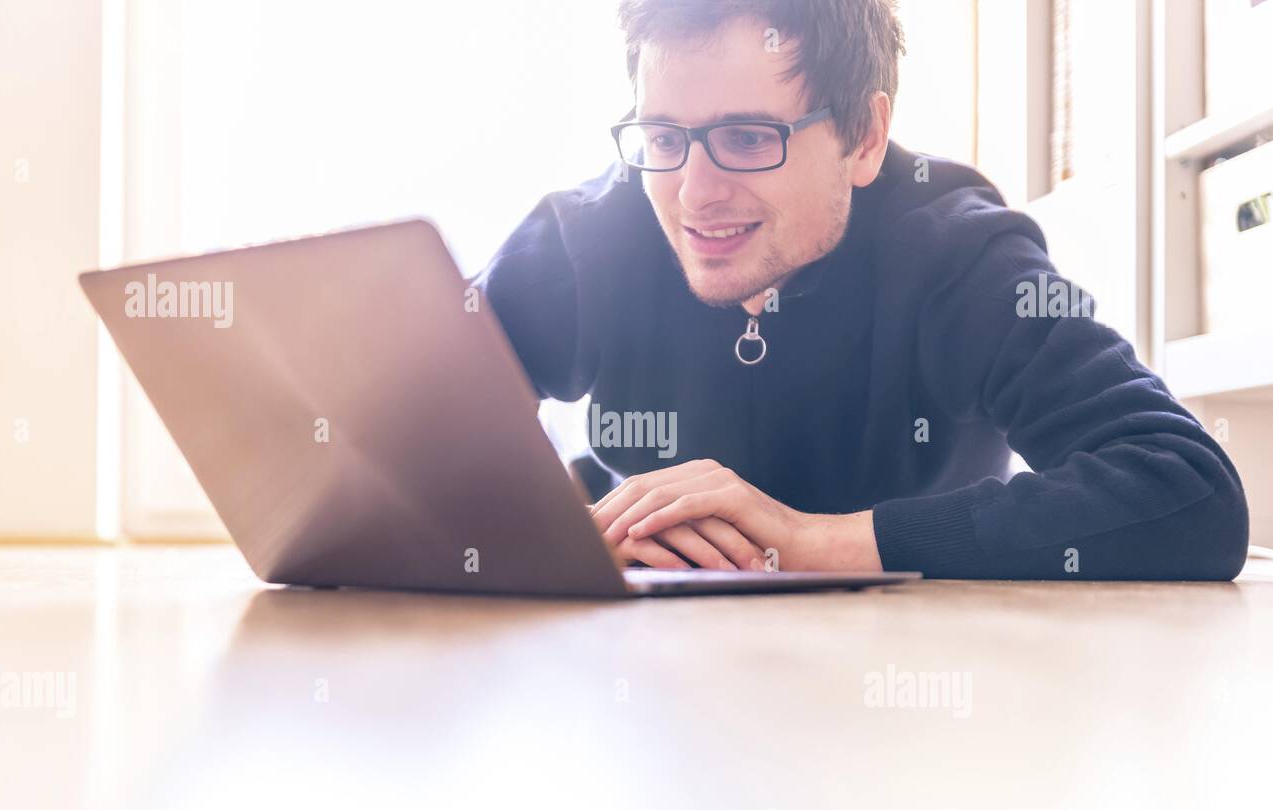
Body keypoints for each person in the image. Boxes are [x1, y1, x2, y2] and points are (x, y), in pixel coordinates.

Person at [475, 0, 1248, 579]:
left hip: (910, 696)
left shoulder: (960, 255)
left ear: (865, 137)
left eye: (747, 138)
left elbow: (1190, 493)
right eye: (665, 138)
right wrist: (577, 534)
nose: (692, 192)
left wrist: (805, 542)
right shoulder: (591, 236)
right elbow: (380, 441)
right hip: (645, 685)